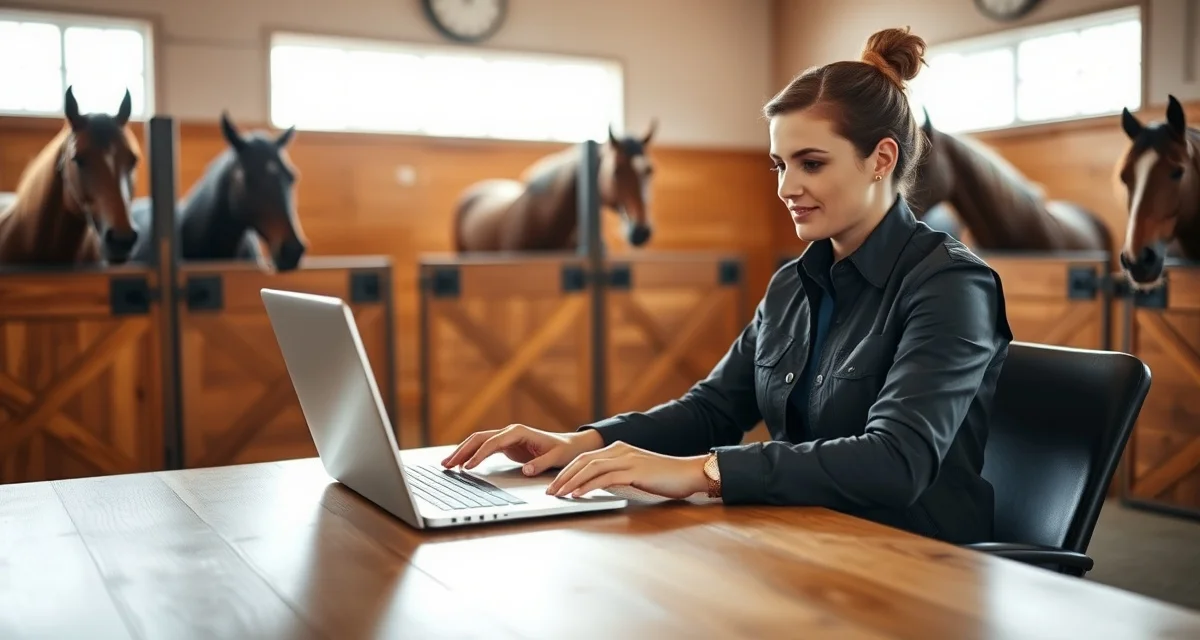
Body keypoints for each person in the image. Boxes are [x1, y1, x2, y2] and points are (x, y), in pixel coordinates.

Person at [442, 26, 1013, 544]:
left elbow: (896, 461)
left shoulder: (952, 285)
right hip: (804, 537)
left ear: (880, 158)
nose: (787, 187)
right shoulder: (793, 282)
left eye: (810, 163)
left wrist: (703, 472)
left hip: (917, 561)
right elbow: (713, 408)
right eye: (778, 165)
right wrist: (582, 443)